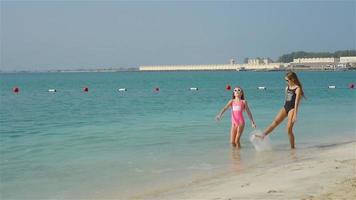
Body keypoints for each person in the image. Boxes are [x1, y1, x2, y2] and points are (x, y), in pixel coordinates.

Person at [257, 71, 305, 149]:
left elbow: (296, 103)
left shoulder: (297, 88)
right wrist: (283, 109)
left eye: (287, 80)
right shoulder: (287, 88)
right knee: (275, 122)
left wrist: (295, 114)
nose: (286, 82)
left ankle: (292, 148)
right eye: (285, 80)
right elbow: (286, 99)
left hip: (292, 109)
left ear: (292, 79)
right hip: (285, 107)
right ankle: (263, 135)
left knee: (289, 129)